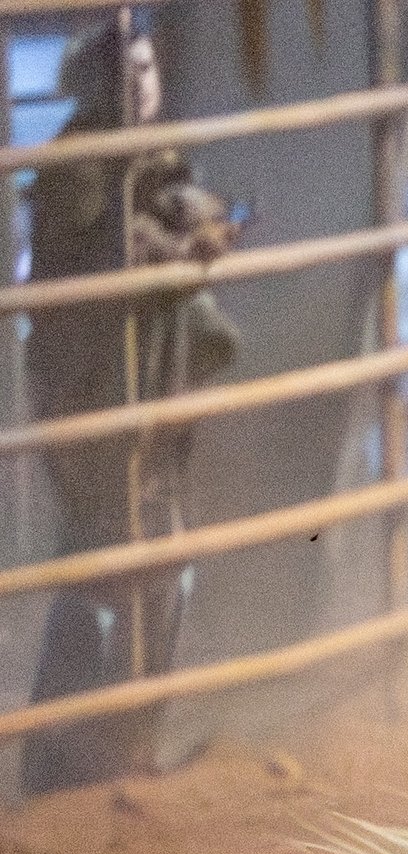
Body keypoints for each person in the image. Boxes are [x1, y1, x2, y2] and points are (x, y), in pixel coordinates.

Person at [22, 24, 240, 794]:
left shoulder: (153, 160)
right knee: (109, 568)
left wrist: (204, 231)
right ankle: (69, 761)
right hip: (94, 396)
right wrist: (174, 249)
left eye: (149, 65)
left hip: (147, 393)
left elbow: (177, 218)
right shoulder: (74, 167)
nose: (144, 82)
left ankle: (117, 748)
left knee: (153, 564)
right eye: (129, 68)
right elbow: (99, 254)